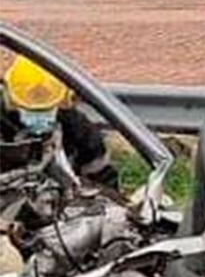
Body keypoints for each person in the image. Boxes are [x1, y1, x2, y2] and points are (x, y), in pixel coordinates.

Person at [1, 56, 118, 188]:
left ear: (63, 102)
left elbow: (102, 175)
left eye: (46, 109)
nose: (39, 120)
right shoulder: (2, 121)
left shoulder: (79, 130)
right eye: (30, 109)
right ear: (10, 100)